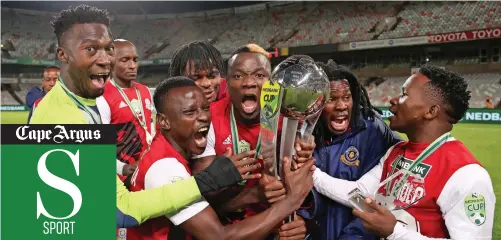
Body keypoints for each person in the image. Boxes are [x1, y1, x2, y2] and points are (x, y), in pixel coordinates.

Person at [31, 4, 261, 230]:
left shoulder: (83, 101)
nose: (105, 60)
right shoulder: (60, 119)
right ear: (63, 55)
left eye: (108, 49)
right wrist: (208, 180)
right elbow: (122, 212)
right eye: (90, 49)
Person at [311, 66, 495, 239]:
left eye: (404, 94)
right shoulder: (396, 152)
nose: (393, 100)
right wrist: (311, 172)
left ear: (430, 111)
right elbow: (360, 193)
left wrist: (394, 231)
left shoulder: (466, 174)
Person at [128, 76, 315, 240]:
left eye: (205, 108)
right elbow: (219, 236)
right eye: (190, 112)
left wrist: (253, 194)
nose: (203, 118)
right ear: (164, 121)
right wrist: (292, 200)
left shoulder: (169, 153)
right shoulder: (165, 168)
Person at [294, 60, 402, 240]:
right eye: (332, 99)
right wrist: (304, 220)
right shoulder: (304, 133)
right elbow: (300, 195)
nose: (341, 106)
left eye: (347, 97)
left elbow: (370, 198)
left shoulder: (371, 131)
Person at [96, 39, 153, 179]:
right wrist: (122, 168)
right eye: (125, 60)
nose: (132, 66)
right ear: (111, 62)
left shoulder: (145, 91)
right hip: (121, 174)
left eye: (135, 60)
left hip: (147, 167)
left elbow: (149, 125)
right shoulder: (101, 96)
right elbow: (99, 148)